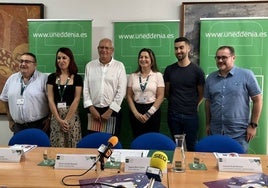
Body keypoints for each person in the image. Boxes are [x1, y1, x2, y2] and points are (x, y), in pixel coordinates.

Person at [204, 45, 263, 153]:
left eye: (224, 57)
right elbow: (208, 102)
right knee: (214, 166)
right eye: (217, 58)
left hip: (239, 134)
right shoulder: (210, 78)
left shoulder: (246, 75)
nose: (220, 60)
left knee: (237, 168)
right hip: (215, 132)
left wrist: (253, 125)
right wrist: (208, 124)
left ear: (233, 58)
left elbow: (258, 100)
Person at [163, 37, 205, 151]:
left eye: (181, 48)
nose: (178, 51)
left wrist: (192, 105)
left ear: (188, 48)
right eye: (176, 48)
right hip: (173, 115)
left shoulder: (197, 71)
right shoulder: (169, 70)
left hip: (191, 116)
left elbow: (201, 93)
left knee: (191, 147)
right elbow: (166, 92)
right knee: (176, 147)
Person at [83, 38, 127, 137]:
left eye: (107, 48)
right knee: (93, 141)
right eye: (101, 47)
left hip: (112, 111)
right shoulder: (90, 66)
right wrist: (91, 108)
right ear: (98, 49)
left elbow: (121, 91)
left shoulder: (119, 66)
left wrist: (111, 110)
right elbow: (86, 89)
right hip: (93, 111)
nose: (104, 50)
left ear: (112, 50)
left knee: (111, 143)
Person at [0, 52, 50, 134]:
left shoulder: (43, 79)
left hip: (39, 125)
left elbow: (51, 101)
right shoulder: (12, 79)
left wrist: (49, 119)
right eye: (21, 61)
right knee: (17, 147)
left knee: (41, 146)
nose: (23, 64)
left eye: (27, 61)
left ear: (35, 65)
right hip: (18, 127)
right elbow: (4, 99)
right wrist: (10, 119)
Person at [47, 47, 82, 148]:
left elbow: (76, 99)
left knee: (73, 145)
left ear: (70, 59)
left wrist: (66, 120)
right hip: (56, 117)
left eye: (64, 58)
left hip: (71, 117)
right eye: (58, 58)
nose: (61, 61)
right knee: (57, 147)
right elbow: (50, 99)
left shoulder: (77, 78)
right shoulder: (51, 77)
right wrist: (59, 120)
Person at [127, 48, 165, 138]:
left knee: (152, 139)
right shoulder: (133, 76)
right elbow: (129, 96)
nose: (143, 59)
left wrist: (149, 114)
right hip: (136, 110)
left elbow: (160, 96)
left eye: (146, 57)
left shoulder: (158, 75)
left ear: (152, 60)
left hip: (152, 111)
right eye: (141, 57)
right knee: (137, 138)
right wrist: (136, 113)